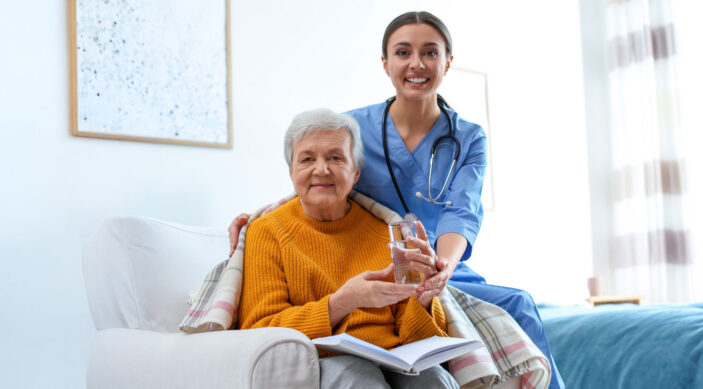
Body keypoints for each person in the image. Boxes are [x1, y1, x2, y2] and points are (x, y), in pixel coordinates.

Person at [232, 11, 564, 389]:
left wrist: (441, 267)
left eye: (430, 52)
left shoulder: (469, 138)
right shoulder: (352, 127)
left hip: (439, 261)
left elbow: (461, 213)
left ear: (447, 62)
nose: (416, 64)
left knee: (518, 303)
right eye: (403, 52)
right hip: (381, 261)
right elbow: (320, 178)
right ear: (386, 63)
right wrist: (257, 218)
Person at [237, 108, 458, 389]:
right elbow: (259, 330)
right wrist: (342, 302)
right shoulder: (266, 232)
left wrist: (425, 294)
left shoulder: (386, 232)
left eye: (335, 158)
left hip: (395, 358)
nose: (321, 169)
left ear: (355, 173)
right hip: (324, 359)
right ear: (292, 172)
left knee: (437, 380)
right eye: (307, 159)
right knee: (358, 377)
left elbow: (418, 340)